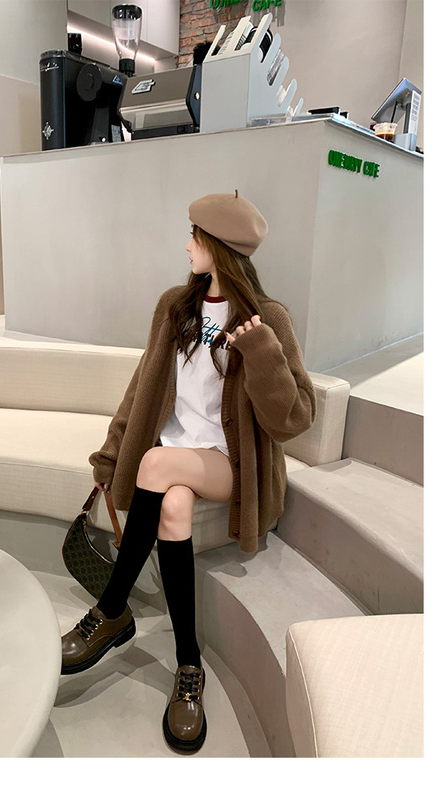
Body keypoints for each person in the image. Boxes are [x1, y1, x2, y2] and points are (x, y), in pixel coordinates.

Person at [60, 191, 316, 755]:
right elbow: (141, 389)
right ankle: (188, 665)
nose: (186, 246)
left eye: (194, 237)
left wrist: (263, 352)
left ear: (216, 246)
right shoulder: (175, 306)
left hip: (229, 464)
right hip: (174, 458)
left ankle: (110, 611)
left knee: (154, 464)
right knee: (171, 504)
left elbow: (294, 418)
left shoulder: (267, 318)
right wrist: (110, 456)